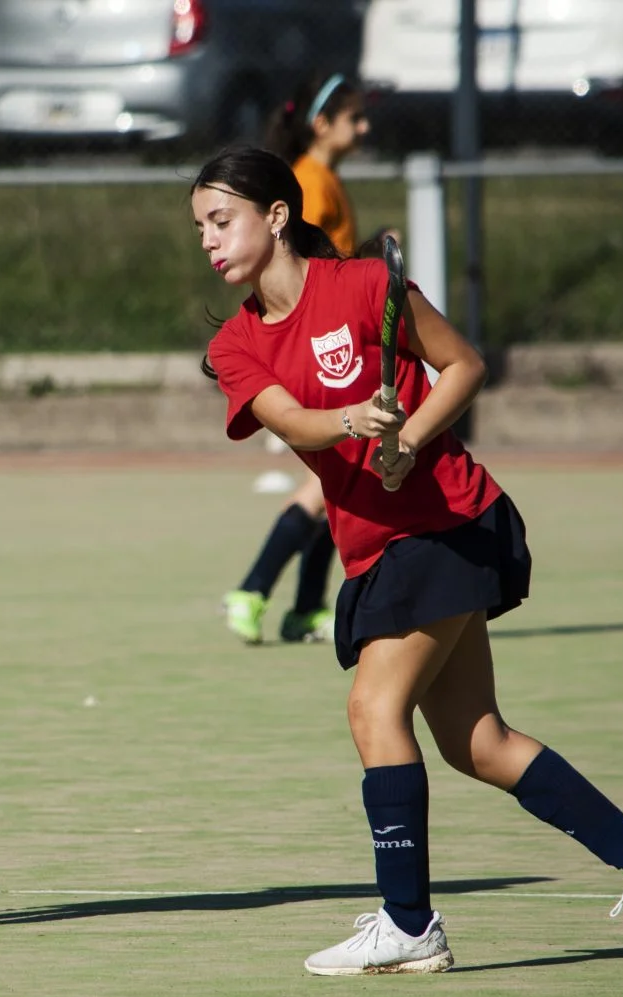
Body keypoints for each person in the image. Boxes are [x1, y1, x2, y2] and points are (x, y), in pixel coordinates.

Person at [192, 145, 623, 974]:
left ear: (276, 215)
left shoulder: (366, 285)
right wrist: (355, 421)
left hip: (445, 522)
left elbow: (463, 364)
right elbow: (291, 420)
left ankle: (409, 922)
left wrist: (411, 437)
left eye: (222, 220)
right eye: (201, 229)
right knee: (478, 742)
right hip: (377, 548)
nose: (209, 241)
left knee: (373, 709)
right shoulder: (236, 344)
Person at [223, 73, 381, 646]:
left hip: (330, 347)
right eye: (353, 118)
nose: (364, 128)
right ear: (321, 124)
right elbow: (302, 269)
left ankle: (306, 608)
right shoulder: (310, 183)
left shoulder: (323, 179)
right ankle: (252, 589)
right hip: (319, 354)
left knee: (338, 484)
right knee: (325, 486)